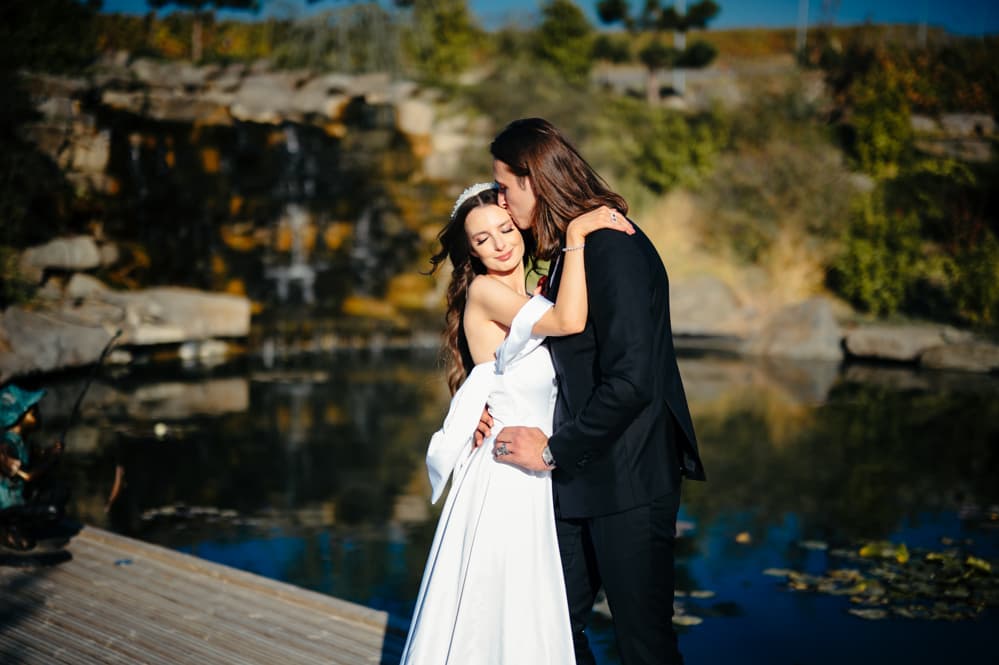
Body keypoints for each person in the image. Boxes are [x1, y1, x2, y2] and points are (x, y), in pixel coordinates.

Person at [483, 118, 707, 665]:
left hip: (629, 479)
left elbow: (633, 381)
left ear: (534, 180)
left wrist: (553, 449)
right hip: (580, 476)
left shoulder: (615, 249)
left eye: (506, 189)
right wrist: (487, 410)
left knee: (643, 644)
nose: (503, 204)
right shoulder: (574, 252)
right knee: (554, 629)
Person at [400, 182, 632, 664]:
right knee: (497, 611)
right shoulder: (485, 293)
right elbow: (569, 322)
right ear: (470, 251)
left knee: (535, 612)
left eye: (505, 228)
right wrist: (578, 230)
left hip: (539, 469)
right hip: (504, 476)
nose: (500, 243)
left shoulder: (535, 293)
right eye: (483, 239)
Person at [1, 384, 65, 551]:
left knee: (59, 491)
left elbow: (39, 456)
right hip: (7, 506)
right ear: (19, 417)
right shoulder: (6, 447)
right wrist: (51, 459)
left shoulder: (24, 442)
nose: (39, 415)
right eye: (34, 412)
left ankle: (21, 526)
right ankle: (7, 530)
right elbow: (28, 476)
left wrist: (51, 451)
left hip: (21, 499)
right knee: (51, 510)